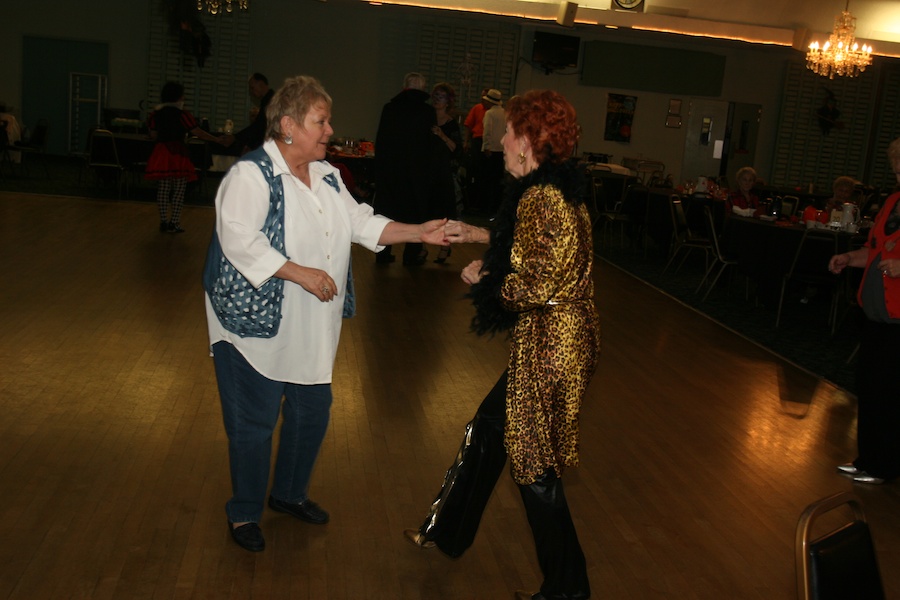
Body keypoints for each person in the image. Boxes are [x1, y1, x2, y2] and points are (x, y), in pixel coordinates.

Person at [203, 75, 449, 552]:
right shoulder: (250, 175)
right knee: (254, 425)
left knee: (311, 414)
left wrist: (420, 232)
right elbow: (238, 238)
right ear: (289, 125)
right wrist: (300, 273)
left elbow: (361, 222)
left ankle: (290, 494)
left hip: (311, 327)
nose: (330, 130)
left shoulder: (327, 176)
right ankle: (244, 513)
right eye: (321, 121)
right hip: (255, 330)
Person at [404, 89, 600, 600]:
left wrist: (483, 279)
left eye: (510, 131)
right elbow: (534, 250)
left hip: (550, 347)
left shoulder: (542, 197)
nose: (503, 137)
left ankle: (568, 590)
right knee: (488, 429)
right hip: (554, 341)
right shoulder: (551, 192)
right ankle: (446, 531)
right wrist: (475, 235)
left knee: (535, 470)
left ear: (529, 142)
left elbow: (533, 282)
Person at [827, 137, 900, 486]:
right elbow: (873, 250)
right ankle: (868, 459)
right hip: (876, 311)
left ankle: (885, 465)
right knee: (870, 387)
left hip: (898, 316)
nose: (899, 168)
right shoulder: (892, 202)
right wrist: (849, 258)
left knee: (889, 392)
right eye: (896, 162)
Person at [374, 72, 441, 265]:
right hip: (417, 174)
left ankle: (383, 253)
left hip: (391, 172)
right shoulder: (428, 112)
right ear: (422, 89)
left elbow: (381, 142)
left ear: (404, 86)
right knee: (416, 214)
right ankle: (411, 256)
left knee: (387, 213)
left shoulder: (389, 108)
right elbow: (431, 146)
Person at [145, 81, 227, 233]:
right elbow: (197, 131)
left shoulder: (155, 114)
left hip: (162, 151)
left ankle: (163, 221)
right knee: (179, 189)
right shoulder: (183, 114)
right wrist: (215, 139)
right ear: (177, 97)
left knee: (163, 188)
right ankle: (174, 222)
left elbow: (153, 134)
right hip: (178, 152)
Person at [430, 82, 463, 263]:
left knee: (446, 213)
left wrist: (442, 135)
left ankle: (445, 247)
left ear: (448, 102)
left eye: (440, 97)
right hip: (430, 171)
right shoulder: (428, 120)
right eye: (435, 95)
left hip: (446, 173)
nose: (436, 99)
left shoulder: (451, 124)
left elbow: (457, 150)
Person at [221, 72, 273, 154]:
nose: (252, 91)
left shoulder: (270, 102)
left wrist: (236, 137)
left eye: (252, 88)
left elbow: (260, 127)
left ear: (260, 83)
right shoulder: (269, 100)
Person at [462, 88, 490, 214]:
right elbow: (469, 125)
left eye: (484, 97)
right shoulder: (477, 108)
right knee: (472, 171)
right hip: (477, 141)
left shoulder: (494, 112)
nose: (482, 100)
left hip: (487, 142)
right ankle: (470, 201)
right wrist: (466, 141)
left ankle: (481, 202)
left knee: (483, 173)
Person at [480, 89, 507, 217]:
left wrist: (486, 146)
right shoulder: (505, 114)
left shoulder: (489, 114)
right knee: (497, 181)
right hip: (501, 150)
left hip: (491, 150)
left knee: (487, 180)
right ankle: (496, 207)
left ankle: (486, 207)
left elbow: (487, 132)